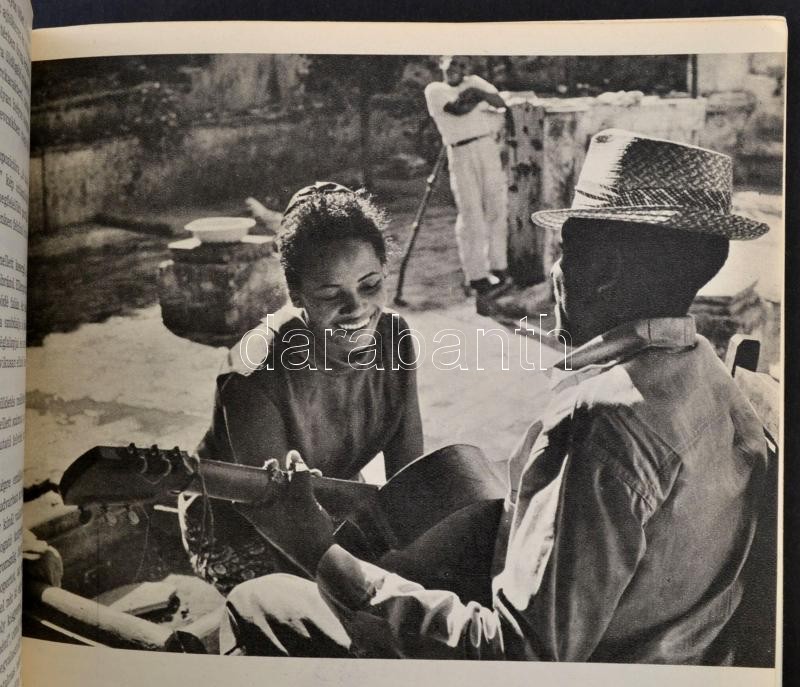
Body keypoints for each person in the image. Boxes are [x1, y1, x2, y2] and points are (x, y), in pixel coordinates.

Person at [219, 130, 773, 664]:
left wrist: (319, 551)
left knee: (259, 597)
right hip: (672, 654)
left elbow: (514, 654)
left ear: (603, 271)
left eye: (565, 252)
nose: (556, 272)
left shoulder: (600, 422)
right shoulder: (710, 377)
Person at [179, 182, 424, 593]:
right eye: (330, 294)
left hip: (329, 503)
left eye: (369, 285)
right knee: (321, 612)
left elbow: (410, 474)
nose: (357, 308)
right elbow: (277, 515)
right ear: (296, 295)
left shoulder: (394, 337)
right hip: (242, 528)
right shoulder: (255, 373)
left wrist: (416, 553)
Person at [424, 55, 509, 295]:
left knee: (497, 208)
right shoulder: (435, 89)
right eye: (453, 63)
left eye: (462, 65)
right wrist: (478, 95)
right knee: (471, 214)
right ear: (442, 64)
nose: (457, 69)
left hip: (486, 147)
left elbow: (500, 102)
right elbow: (458, 109)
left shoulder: (474, 82)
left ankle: (499, 267)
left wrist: (475, 91)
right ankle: (477, 276)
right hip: (461, 152)